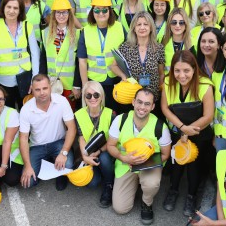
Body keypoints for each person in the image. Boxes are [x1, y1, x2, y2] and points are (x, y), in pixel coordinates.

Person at [161, 50, 215, 217]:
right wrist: (182, 128)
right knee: (177, 162)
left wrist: (190, 130)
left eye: (186, 71)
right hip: (179, 130)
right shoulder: (168, 83)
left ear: (194, 69)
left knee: (194, 164)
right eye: (177, 70)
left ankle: (191, 196)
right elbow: (164, 108)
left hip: (199, 132)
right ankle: (173, 190)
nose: (181, 75)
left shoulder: (205, 85)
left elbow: (208, 115)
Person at [107, 88, 172, 225]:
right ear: (133, 102)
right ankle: (134, 185)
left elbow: (166, 154)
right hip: (126, 165)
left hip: (149, 166)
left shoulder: (160, 127)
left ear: (153, 106)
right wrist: (124, 158)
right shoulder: (120, 120)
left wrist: (145, 163)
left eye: (147, 104)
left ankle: (147, 202)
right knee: (120, 208)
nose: (142, 107)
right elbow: (110, 146)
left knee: (151, 183)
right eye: (139, 102)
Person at [19, 74, 76, 190]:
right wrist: (28, 166)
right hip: (37, 146)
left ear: (50, 87)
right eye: (37, 90)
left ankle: (59, 172)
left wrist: (64, 153)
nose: (42, 93)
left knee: (69, 164)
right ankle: (48, 164)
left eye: (45, 88)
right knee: (28, 182)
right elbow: (23, 138)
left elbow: (72, 128)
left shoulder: (62, 101)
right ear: (32, 91)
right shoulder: (26, 109)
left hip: (58, 143)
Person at [0, 0, 40, 110]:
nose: (11, 11)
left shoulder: (27, 26)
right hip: (1, 80)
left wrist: (34, 79)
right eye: (8, 7)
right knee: (6, 114)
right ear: (3, 8)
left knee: (26, 112)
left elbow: (35, 54)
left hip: (24, 78)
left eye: (15, 8)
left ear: (20, 10)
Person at [77, 0, 126, 109]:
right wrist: (85, 86)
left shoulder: (119, 27)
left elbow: (128, 54)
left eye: (104, 10)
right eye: (97, 10)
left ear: (110, 11)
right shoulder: (85, 31)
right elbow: (82, 61)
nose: (101, 13)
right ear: (92, 12)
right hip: (94, 84)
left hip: (116, 82)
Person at [111, 11, 165, 109]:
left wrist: (160, 91)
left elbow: (161, 73)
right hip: (131, 97)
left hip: (152, 98)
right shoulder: (125, 47)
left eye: (145, 24)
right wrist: (123, 76)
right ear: (134, 28)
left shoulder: (158, 48)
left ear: (151, 27)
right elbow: (113, 66)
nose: (142, 27)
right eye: (138, 24)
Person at [74, 81, 115, 207]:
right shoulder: (78, 115)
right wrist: (85, 156)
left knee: (103, 158)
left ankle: (109, 184)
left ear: (101, 96)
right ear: (84, 98)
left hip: (106, 151)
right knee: (92, 183)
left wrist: (99, 151)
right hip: (89, 153)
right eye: (88, 95)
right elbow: (81, 138)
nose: (93, 98)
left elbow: (112, 140)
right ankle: (103, 172)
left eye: (96, 95)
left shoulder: (111, 114)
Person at [39, 0, 80, 109]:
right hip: (51, 83)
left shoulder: (77, 34)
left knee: (69, 115)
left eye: (64, 13)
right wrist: (42, 81)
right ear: (54, 15)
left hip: (69, 86)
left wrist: (77, 85)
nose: (61, 16)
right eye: (58, 13)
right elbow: (43, 59)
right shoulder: (46, 33)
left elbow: (79, 62)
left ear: (69, 14)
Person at [162, 8, 193, 75]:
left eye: (181, 23)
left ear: (186, 25)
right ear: (169, 24)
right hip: (168, 83)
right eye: (174, 22)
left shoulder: (193, 44)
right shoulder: (162, 43)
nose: (177, 25)